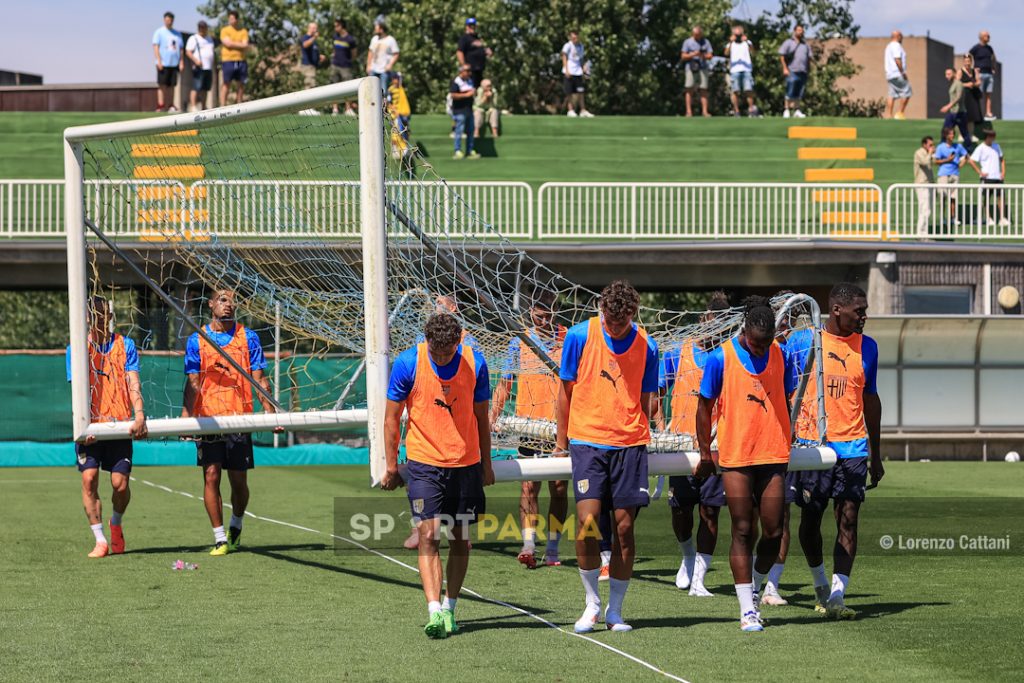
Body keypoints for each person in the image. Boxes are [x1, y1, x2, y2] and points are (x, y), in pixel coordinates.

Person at [381, 313, 494, 639]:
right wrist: (392, 465)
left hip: (466, 464)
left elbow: (481, 417)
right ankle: (433, 610)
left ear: (459, 342)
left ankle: (450, 607)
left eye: (448, 352)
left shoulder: (475, 362)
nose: (442, 357)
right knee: (428, 535)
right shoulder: (408, 363)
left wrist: (486, 463)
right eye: (437, 352)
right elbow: (392, 418)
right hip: (424, 464)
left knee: (461, 540)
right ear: (427, 341)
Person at [556, 280, 659, 633]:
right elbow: (565, 392)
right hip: (587, 441)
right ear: (601, 310)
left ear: (633, 314)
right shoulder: (579, 336)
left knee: (625, 529)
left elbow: (648, 397)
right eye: (609, 321)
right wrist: (560, 441)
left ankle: (616, 610)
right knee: (586, 524)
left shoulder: (649, 345)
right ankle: (591, 604)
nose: (615, 328)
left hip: (630, 445)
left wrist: (652, 431)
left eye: (622, 322)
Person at [696, 296, 798, 632]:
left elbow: (786, 396)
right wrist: (705, 454)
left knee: (773, 530)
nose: (760, 350)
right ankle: (747, 610)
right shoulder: (719, 357)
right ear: (744, 331)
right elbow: (704, 407)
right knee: (742, 528)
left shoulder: (780, 354)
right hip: (737, 455)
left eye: (766, 344)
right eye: (755, 344)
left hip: (772, 453)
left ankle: (754, 585)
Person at [791, 283, 883, 619]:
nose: (864, 316)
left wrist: (877, 453)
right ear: (837, 310)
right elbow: (784, 386)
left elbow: (870, 401)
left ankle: (838, 596)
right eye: (859, 311)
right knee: (811, 518)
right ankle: (819, 584)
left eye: (865, 310)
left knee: (849, 518)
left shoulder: (868, 348)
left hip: (854, 446)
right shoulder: (804, 342)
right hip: (812, 446)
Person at [181, 290, 280, 556]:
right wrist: (185, 417)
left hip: (239, 418)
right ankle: (220, 538)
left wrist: (270, 413)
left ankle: (236, 525)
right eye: (223, 299)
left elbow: (260, 379)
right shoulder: (197, 339)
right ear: (211, 304)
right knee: (211, 475)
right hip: (208, 420)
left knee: (238, 480)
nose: (229, 304)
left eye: (232, 300)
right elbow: (192, 382)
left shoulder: (248, 337)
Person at [658, 291, 729, 597]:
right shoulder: (679, 350)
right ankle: (687, 555)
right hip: (681, 448)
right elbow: (657, 392)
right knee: (681, 512)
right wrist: (661, 429)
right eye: (714, 324)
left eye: (723, 328)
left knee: (710, 512)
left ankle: (700, 578)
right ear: (704, 320)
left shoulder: (727, 357)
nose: (717, 332)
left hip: (715, 448)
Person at [490, 290, 568, 569]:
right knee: (528, 485)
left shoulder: (569, 340)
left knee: (559, 487)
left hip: (560, 428)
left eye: (547, 316)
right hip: (530, 426)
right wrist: (492, 416)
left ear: (556, 314)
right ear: (530, 312)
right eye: (537, 315)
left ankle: (554, 548)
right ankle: (528, 545)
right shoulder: (519, 341)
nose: (542, 321)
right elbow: (505, 383)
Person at [67, 296, 147, 558]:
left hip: (119, 425)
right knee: (89, 479)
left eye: (104, 316)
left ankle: (116, 522)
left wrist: (139, 414)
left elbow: (133, 381)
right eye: (94, 316)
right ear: (87, 319)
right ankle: (100, 539)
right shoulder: (76, 349)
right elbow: (76, 392)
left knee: (120, 484)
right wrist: (82, 425)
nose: (99, 321)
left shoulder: (126, 345)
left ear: (110, 318)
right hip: (90, 429)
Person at [968, 129, 1009, 228]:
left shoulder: (997, 146)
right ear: (987, 137)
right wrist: (980, 172)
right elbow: (971, 161)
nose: (993, 139)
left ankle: (1002, 218)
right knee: (986, 198)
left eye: (994, 136)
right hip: (986, 178)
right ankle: (988, 218)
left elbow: (1002, 159)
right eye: (991, 137)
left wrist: (1003, 172)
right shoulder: (980, 148)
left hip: (997, 178)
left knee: (1001, 197)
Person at [934, 126, 969, 227]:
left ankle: (953, 218)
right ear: (945, 135)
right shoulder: (940, 147)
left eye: (953, 133)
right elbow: (936, 161)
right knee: (942, 197)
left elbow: (966, 156)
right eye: (950, 133)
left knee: (953, 197)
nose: (952, 135)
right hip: (943, 175)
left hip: (955, 175)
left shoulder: (958, 146)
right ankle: (942, 218)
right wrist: (947, 160)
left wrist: (960, 165)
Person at [778, 25, 812, 119]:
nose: (800, 32)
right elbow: (782, 56)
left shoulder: (805, 45)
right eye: (798, 30)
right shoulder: (788, 43)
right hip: (792, 70)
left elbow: (809, 58)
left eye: (802, 30)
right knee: (790, 90)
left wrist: (808, 69)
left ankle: (797, 110)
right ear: (794, 31)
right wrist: (785, 68)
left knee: (799, 92)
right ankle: (787, 110)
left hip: (803, 71)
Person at [152, 12, 183, 113]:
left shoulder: (177, 34)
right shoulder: (159, 32)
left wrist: (181, 61)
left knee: (172, 85)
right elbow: (155, 47)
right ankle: (161, 105)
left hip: (174, 64)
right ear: (164, 20)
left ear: (173, 20)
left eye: (170, 20)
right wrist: (159, 61)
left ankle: (171, 105)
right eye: (167, 20)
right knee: (162, 85)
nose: (169, 22)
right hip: (163, 63)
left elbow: (181, 49)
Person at [725, 25, 757, 117]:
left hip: (746, 69)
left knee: (749, 90)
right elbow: (726, 53)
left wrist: (746, 41)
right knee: (735, 91)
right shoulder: (730, 44)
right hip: (735, 70)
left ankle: (751, 109)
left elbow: (753, 52)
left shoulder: (747, 43)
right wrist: (731, 42)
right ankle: (736, 111)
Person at [220, 10, 251, 106]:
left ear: (237, 20)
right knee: (226, 83)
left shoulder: (243, 31)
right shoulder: (224, 30)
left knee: (241, 83)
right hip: (228, 61)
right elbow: (227, 44)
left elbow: (245, 45)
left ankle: (239, 105)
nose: (230, 20)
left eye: (232, 18)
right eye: (229, 18)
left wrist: (234, 44)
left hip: (241, 60)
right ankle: (222, 106)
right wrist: (240, 44)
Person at [681, 26, 713, 118]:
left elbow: (710, 55)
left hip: (703, 67)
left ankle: (705, 112)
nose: (697, 36)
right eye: (695, 35)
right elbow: (683, 56)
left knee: (704, 89)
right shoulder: (687, 42)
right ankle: (688, 112)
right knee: (689, 89)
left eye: (698, 35)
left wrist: (703, 55)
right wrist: (693, 54)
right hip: (691, 67)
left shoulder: (706, 42)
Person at [450, 64, 479, 160]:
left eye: (469, 71)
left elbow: (473, 93)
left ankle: (469, 151)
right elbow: (453, 95)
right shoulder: (456, 81)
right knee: (459, 131)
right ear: (461, 71)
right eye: (467, 70)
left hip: (469, 110)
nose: (469, 72)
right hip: (459, 111)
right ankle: (457, 150)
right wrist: (467, 95)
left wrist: (474, 93)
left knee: (471, 131)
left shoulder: (470, 81)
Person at [330, 18, 359, 115]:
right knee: (334, 88)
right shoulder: (335, 37)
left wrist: (349, 61)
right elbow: (334, 50)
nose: (335, 28)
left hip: (346, 67)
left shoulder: (350, 39)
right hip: (335, 66)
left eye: (336, 26)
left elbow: (354, 54)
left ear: (342, 26)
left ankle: (348, 109)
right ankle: (335, 109)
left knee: (348, 88)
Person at [185, 20, 216, 113]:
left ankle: (203, 106)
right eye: (200, 27)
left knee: (205, 88)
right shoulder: (193, 38)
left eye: (204, 27)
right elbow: (188, 52)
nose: (202, 29)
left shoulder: (209, 38)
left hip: (208, 67)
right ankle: (193, 106)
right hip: (199, 67)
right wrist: (196, 61)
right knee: (196, 87)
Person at [562, 31, 593, 118]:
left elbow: (581, 59)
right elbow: (564, 57)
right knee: (569, 93)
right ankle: (570, 110)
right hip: (569, 72)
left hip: (578, 72)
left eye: (576, 37)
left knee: (581, 92)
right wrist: (566, 70)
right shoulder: (568, 45)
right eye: (573, 37)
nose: (574, 39)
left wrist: (584, 69)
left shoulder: (581, 46)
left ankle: (583, 110)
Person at [366, 20, 399, 97]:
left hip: (384, 70)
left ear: (381, 29)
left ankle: (383, 108)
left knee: (383, 91)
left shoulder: (390, 40)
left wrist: (390, 65)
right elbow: (370, 52)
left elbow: (396, 53)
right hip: (373, 69)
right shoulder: (374, 39)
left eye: (376, 27)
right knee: (371, 90)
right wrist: (368, 65)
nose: (375, 29)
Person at [940, 68, 970, 151]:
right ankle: (942, 148)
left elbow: (958, 97)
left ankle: (969, 149)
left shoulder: (958, 83)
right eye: (946, 74)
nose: (947, 76)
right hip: (953, 112)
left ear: (954, 74)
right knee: (945, 131)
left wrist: (948, 106)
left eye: (949, 74)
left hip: (960, 113)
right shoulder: (953, 84)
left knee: (964, 133)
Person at [969, 31, 997, 121]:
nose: (989, 37)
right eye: (987, 36)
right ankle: (978, 113)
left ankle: (988, 113)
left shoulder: (989, 48)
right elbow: (968, 57)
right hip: (979, 74)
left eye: (989, 36)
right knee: (979, 95)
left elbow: (993, 58)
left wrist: (993, 67)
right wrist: (973, 70)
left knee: (988, 94)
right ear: (981, 37)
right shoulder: (975, 48)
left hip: (989, 74)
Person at [457, 17, 492, 89]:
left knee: (480, 89)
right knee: (471, 88)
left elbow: (479, 50)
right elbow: (459, 52)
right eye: (470, 26)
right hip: (471, 70)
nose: (472, 27)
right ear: (467, 27)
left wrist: (486, 52)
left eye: (474, 26)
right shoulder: (464, 38)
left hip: (479, 69)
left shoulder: (477, 38)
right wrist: (464, 66)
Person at [884, 31, 911, 120]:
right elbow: (897, 59)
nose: (902, 38)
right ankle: (900, 113)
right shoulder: (896, 46)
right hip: (897, 73)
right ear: (898, 36)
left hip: (890, 75)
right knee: (907, 92)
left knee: (892, 94)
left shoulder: (888, 46)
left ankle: (888, 115)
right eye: (901, 36)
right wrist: (902, 72)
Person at [913, 136, 936, 238]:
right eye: (930, 145)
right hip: (922, 184)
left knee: (928, 210)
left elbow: (935, 162)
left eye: (932, 145)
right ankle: (921, 234)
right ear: (924, 145)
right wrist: (931, 153)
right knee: (924, 209)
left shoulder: (928, 154)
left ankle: (924, 233)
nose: (932, 147)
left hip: (929, 184)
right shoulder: (919, 153)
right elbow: (925, 162)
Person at [959, 53, 984, 143]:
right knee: (963, 116)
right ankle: (961, 135)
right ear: (963, 62)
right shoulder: (960, 71)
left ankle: (971, 134)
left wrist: (975, 84)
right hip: (964, 95)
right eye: (966, 61)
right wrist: (966, 84)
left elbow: (979, 81)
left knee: (972, 116)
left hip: (973, 95)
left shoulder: (974, 71)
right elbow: (957, 83)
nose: (967, 63)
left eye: (969, 61)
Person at [299, 22, 327, 90]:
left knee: (313, 86)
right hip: (307, 67)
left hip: (313, 67)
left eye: (316, 28)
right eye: (314, 28)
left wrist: (319, 56)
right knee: (309, 87)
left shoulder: (313, 40)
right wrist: (314, 37)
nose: (316, 30)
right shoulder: (306, 37)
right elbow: (305, 45)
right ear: (309, 28)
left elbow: (313, 51)